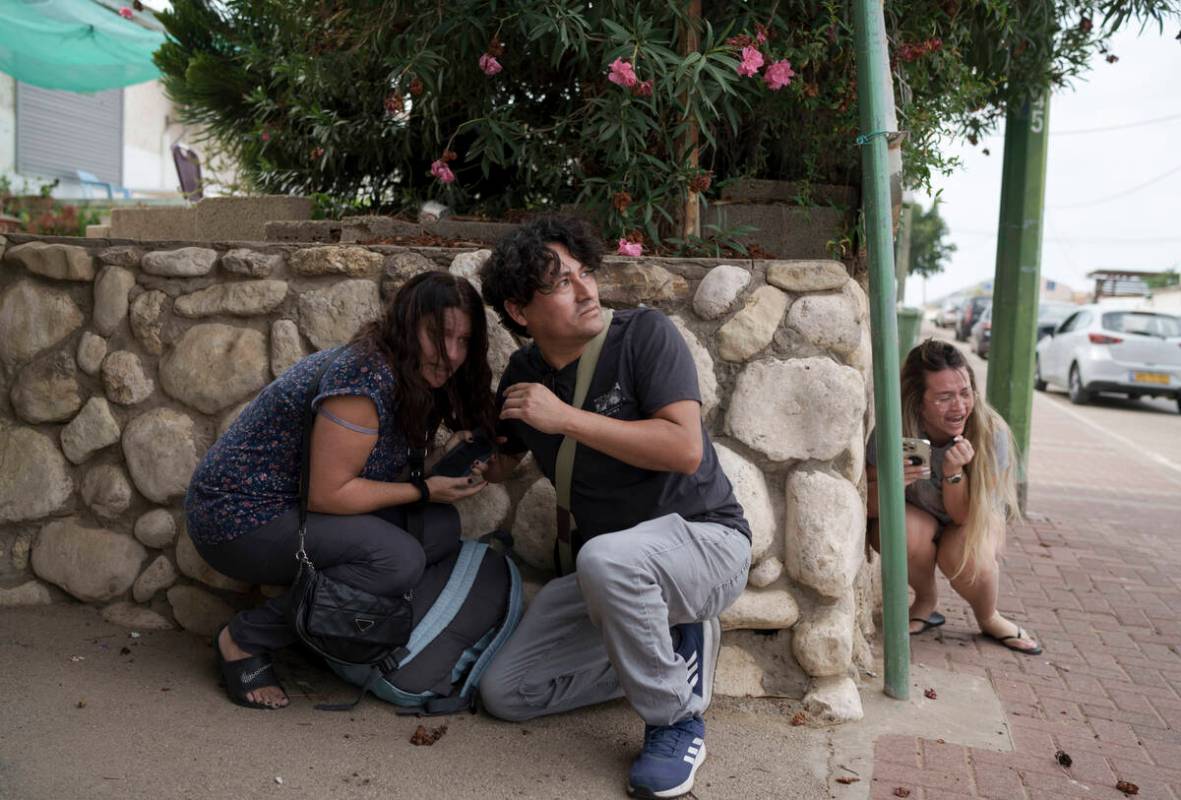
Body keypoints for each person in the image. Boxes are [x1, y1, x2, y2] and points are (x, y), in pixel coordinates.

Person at [475, 216, 752, 799]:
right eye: (560, 283)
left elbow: (683, 448)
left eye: (584, 273)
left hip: (704, 542)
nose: (586, 290)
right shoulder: (525, 373)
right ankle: (670, 651)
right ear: (520, 312)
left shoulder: (645, 335)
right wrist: (458, 470)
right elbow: (506, 459)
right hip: (616, 574)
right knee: (506, 693)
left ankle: (675, 720)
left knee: (602, 559)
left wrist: (566, 419)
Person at [183, 272, 496, 710]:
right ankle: (244, 638)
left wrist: (439, 461)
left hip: (297, 507)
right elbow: (328, 495)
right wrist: (424, 490)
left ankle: (329, 619)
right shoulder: (363, 379)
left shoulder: (406, 372)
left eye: (464, 341)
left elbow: (366, 466)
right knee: (398, 560)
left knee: (438, 528)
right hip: (239, 518)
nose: (452, 355)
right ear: (407, 324)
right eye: (439, 336)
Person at [867, 338, 1041, 654]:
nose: (959, 407)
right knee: (898, 531)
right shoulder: (894, 431)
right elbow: (868, 508)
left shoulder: (991, 433)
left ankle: (989, 616)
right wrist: (894, 484)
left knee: (961, 555)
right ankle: (925, 599)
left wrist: (953, 473)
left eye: (965, 393)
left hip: (970, 519)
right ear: (918, 401)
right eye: (944, 397)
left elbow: (965, 518)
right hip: (920, 517)